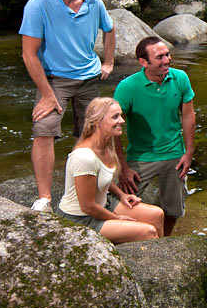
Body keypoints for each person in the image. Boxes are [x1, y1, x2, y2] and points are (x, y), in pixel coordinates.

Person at [20, 0, 115, 213]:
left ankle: (85, 195)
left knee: (93, 136)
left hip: (88, 79)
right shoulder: (38, 5)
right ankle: (44, 198)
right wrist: (47, 95)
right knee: (44, 129)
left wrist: (108, 63)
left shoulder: (94, 2)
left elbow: (110, 28)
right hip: (54, 80)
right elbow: (29, 54)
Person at [113, 36, 195, 236]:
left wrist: (189, 152)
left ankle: (163, 242)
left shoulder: (181, 78)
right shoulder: (127, 87)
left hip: (174, 155)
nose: (167, 60)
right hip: (140, 157)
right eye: (160, 57)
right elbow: (112, 128)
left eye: (167, 54)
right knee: (123, 205)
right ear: (143, 62)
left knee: (174, 210)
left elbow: (188, 116)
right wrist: (123, 167)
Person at [56, 97, 164, 244]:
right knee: (148, 232)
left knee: (157, 214)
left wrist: (122, 195)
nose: (122, 121)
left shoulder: (107, 144)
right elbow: (87, 206)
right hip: (81, 219)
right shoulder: (84, 157)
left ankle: (162, 253)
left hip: (102, 204)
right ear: (97, 122)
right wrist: (116, 218)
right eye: (115, 117)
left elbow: (101, 177)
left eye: (120, 115)